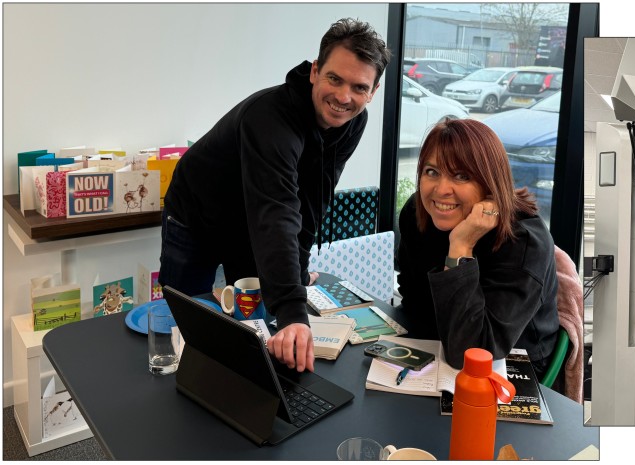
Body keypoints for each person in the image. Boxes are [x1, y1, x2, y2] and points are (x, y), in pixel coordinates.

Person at [159, 18, 390, 372]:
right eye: (334, 78)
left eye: (359, 87)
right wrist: (295, 312)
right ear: (314, 71)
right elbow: (277, 209)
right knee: (185, 322)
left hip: (251, 225)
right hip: (196, 215)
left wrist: (296, 273)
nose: (344, 97)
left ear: (372, 92)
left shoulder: (352, 122)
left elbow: (313, 201)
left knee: (254, 325)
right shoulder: (270, 118)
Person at [396, 119, 560, 376]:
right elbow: (412, 300)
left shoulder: (525, 242)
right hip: (437, 346)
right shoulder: (417, 212)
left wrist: (461, 247)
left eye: (461, 176)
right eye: (431, 172)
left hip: (516, 362)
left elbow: (473, 354)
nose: (441, 190)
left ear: (489, 183)